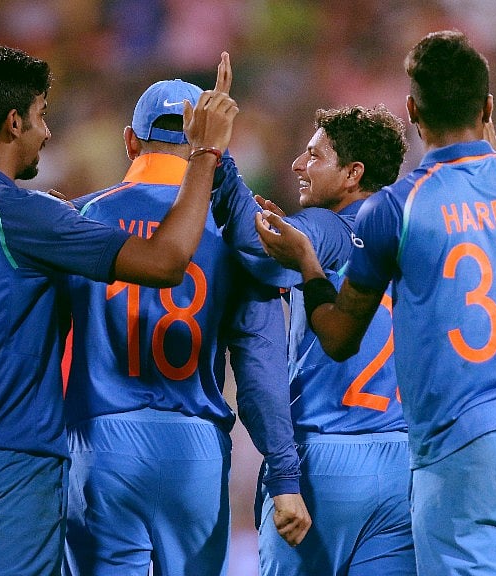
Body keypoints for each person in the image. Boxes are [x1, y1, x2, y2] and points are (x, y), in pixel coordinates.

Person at [254, 30, 496, 576]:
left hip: (463, 440)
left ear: (412, 110)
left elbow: (339, 339)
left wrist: (309, 267)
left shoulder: (396, 206)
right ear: (488, 107)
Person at [0, 46, 236, 575]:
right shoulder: (23, 215)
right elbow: (166, 261)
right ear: (13, 122)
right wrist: (206, 157)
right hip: (8, 459)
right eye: (41, 115)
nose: (47, 133)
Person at [60, 74, 310, 574]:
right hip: (195, 449)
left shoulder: (79, 217)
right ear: (213, 143)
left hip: (101, 444)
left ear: (130, 141)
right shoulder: (235, 230)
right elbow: (261, 365)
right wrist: (284, 476)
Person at [228, 105, 415, 575]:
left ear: (353, 174)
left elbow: (254, 247)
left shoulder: (331, 228)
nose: (297, 165)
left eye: (314, 156)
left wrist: (218, 160)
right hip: (401, 461)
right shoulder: (411, 232)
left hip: (325, 458)